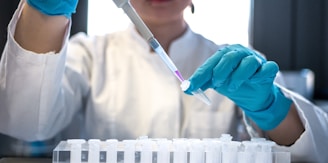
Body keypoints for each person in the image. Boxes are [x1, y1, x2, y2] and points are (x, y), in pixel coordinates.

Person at [0, 0, 327, 162]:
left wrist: (271, 110)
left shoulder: (235, 64)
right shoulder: (87, 55)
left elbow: (314, 152)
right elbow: (24, 121)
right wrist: (44, 11)